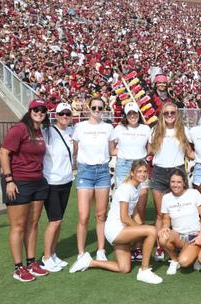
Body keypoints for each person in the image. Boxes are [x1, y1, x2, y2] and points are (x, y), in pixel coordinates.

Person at [69, 160, 163, 284]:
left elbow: (134, 211)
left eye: (145, 171)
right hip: (115, 230)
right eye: (139, 171)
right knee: (151, 230)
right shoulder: (126, 189)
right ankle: (144, 271)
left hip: (122, 229)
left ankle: (89, 262)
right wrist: (142, 232)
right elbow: (124, 217)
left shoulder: (137, 187)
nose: (143, 174)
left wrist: (140, 227)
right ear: (132, 173)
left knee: (124, 268)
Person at [0, 99, 50, 282]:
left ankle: (31, 262)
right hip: (19, 181)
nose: (39, 112)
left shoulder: (39, 131)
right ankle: (18, 267)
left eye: (43, 110)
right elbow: (4, 153)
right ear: (30, 111)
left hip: (37, 181)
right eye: (36, 109)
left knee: (33, 223)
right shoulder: (19, 128)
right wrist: (9, 180)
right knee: (18, 226)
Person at [71, 98, 114, 264]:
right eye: (94, 107)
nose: (97, 110)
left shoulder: (109, 127)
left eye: (100, 107)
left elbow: (112, 150)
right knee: (83, 216)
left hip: (103, 171)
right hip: (85, 172)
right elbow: (73, 150)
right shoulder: (79, 127)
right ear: (89, 108)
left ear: (104, 109)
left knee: (101, 214)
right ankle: (81, 253)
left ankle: (101, 250)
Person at [149, 102, 193, 261]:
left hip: (178, 171)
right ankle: (160, 246)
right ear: (162, 114)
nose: (169, 115)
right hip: (160, 172)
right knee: (161, 213)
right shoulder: (155, 131)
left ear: (177, 114)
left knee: (180, 210)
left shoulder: (184, 131)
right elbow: (148, 151)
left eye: (172, 112)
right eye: (166, 113)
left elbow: (190, 153)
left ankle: (180, 243)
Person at [110, 102, 151, 261]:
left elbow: (149, 148)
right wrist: (121, 154)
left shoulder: (145, 129)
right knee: (125, 208)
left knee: (140, 208)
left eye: (135, 113)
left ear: (138, 114)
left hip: (140, 165)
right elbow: (111, 149)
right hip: (124, 166)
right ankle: (125, 242)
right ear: (125, 116)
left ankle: (138, 246)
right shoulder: (118, 129)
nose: (132, 116)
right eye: (129, 114)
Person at [40, 103, 75, 272]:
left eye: (68, 113)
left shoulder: (71, 132)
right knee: (55, 221)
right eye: (62, 113)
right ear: (56, 115)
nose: (65, 116)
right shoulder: (47, 132)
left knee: (59, 220)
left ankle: (53, 254)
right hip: (51, 182)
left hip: (66, 180)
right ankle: (46, 257)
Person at [158, 169, 201, 275]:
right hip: (178, 236)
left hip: (194, 236)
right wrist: (165, 227)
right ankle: (174, 260)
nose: (176, 185)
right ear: (169, 182)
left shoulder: (194, 193)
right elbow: (166, 218)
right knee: (163, 237)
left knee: (184, 262)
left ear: (184, 182)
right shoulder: (166, 198)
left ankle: (196, 252)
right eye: (173, 182)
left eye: (179, 182)